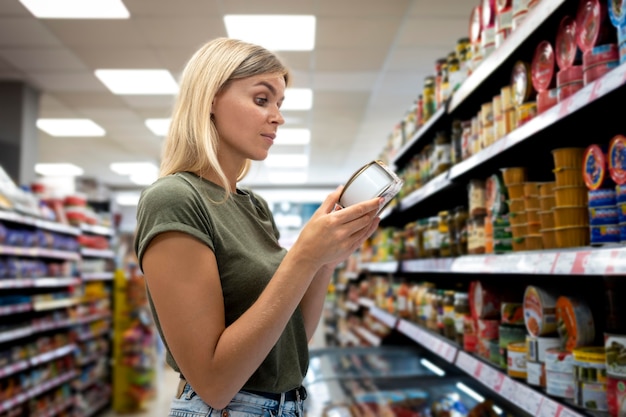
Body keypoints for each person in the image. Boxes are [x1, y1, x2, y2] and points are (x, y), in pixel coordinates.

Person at [134, 37, 382, 417]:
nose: (278, 117)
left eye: (279, 104)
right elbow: (214, 383)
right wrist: (302, 256)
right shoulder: (174, 199)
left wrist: (326, 260)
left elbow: (290, 338)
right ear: (211, 99)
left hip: (289, 405)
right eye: (262, 99)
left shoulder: (253, 206)